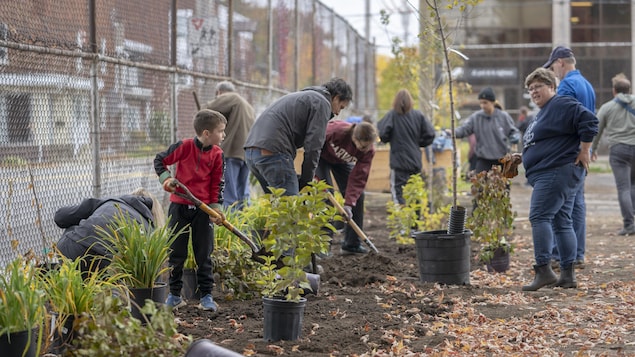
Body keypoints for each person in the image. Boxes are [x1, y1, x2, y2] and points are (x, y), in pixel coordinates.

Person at [520, 68, 598, 291]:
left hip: (556, 171)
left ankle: (543, 270)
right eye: (531, 88)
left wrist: (585, 150)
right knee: (561, 220)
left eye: (538, 86)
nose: (534, 91)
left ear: (552, 87)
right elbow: (547, 140)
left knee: (539, 216)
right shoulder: (544, 112)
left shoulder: (561, 103)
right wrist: (523, 155)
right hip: (553, 170)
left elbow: (590, 121)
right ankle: (567, 275)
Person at [154, 109, 227, 312]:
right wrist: (166, 179)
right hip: (179, 207)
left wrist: (215, 209)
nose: (223, 135)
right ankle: (175, 295)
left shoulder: (217, 154)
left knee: (204, 253)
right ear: (206, 133)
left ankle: (206, 296)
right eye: (221, 131)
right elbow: (160, 160)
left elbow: (217, 184)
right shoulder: (184, 147)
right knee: (176, 252)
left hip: (202, 209)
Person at [244, 77, 353, 196]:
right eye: (341, 107)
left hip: (252, 152)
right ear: (336, 97)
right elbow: (313, 147)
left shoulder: (306, 97)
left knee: (276, 207)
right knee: (291, 208)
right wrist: (306, 182)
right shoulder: (322, 103)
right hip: (273, 153)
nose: (337, 113)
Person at [543, 45, 596, 268]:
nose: (553, 71)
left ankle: (560, 255)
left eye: (553, 66)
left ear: (561, 62)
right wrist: (588, 148)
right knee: (577, 204)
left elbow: (559, 119)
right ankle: (577, 254)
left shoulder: (567, 85)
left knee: (561, 206)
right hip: (582, 152)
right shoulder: (587, 85)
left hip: (568, 153)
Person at [55, 188, 165, 272]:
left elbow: (60, 217)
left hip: (71, 250)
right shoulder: (148, 229)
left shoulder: (111, 202)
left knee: (74, 226)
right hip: (108, 264)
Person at [315, 120, 377, 255]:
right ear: (354, 138)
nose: (364, 150)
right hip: (320, 157)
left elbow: (359, 177)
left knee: (358, 196)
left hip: (340, 161)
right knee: (326, 196)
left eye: (367, 147)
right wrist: (311, 169)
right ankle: (322, 247)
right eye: (362, 147)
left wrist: (349, 204)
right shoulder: (335, 131)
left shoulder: (369, 151)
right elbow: (313, 142)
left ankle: (351, 244)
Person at [591, 73, 635, 236]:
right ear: (629, 90)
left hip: (619, 150)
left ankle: (629, 224)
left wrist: (592, 149)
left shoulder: (607, 107)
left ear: (614, 91)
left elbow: (597, 130)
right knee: (633, 185)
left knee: (624, 187)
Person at [377, 89, 435, 205]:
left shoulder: (392, 115)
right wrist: (418, 143)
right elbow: (431, 134)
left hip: (399, 162)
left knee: (398, 193)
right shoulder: (418, 116)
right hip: (415, 161)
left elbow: (382, 133)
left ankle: (400, 220)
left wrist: (390, 139)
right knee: (415, 192)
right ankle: (415, 221)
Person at [205, 81, 255, 210]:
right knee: (243, 194)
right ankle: (244, 225)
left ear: (220, 93)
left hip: (231, 152)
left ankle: (230, 224)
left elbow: (208, 109)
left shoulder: (232, 98)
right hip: (246, 154)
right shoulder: (248, 106)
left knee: (229, 194)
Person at [454, 87, 520, 174]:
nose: (482, 106)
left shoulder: (503, 116)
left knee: (503, 185)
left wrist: (515, 136)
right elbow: (464, 129)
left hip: (501, 158)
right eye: (481, 103)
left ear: (492, 102)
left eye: (485, 103)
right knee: (480, 185)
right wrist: (452, 132)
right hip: (483, 158)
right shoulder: (476, 117)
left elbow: (513, 131)